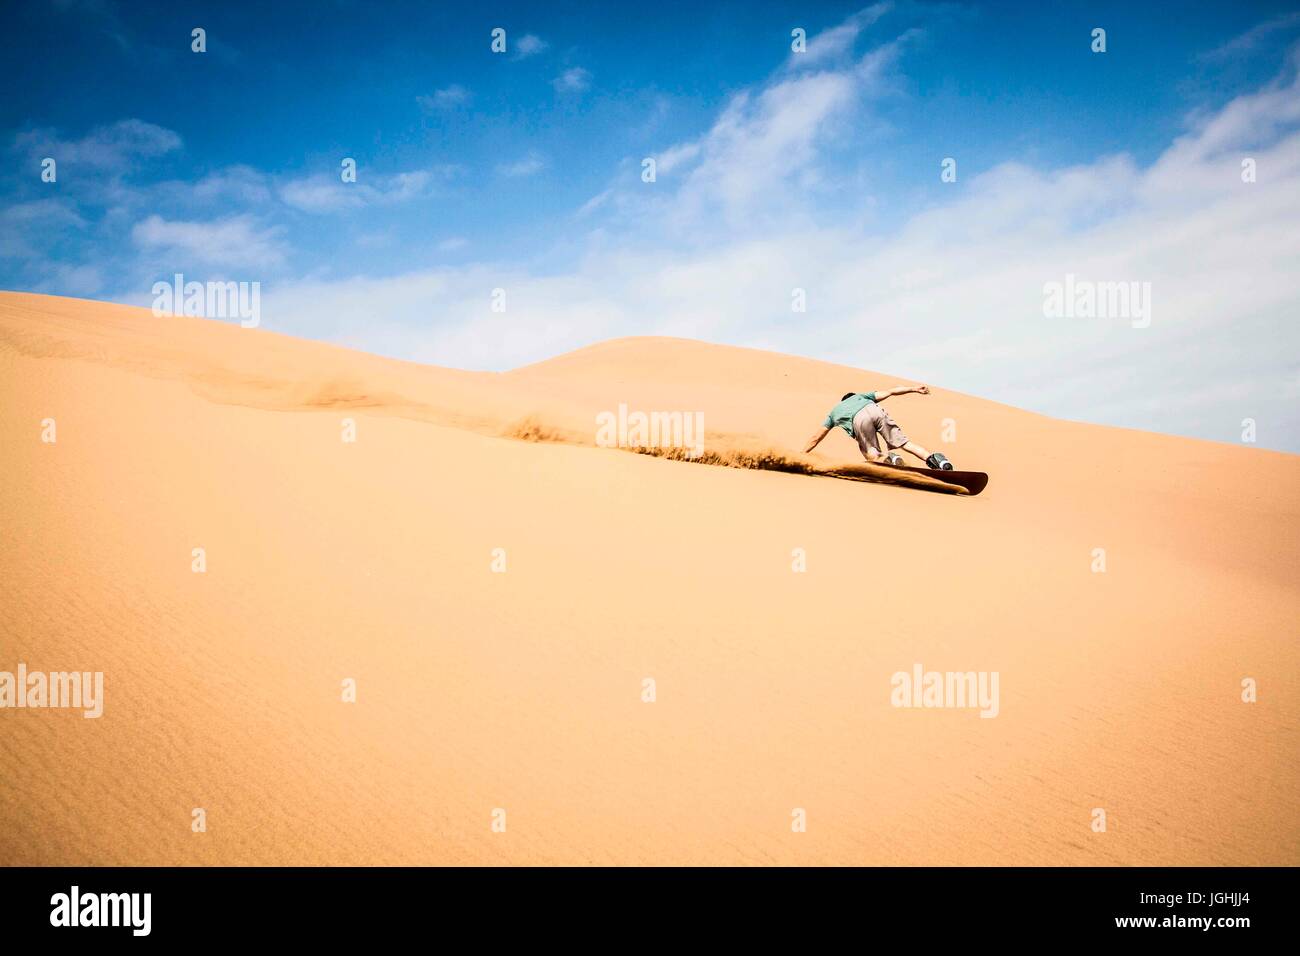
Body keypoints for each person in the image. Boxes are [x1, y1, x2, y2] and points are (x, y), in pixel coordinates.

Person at [803, 386, 954, 470]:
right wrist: (914, 389)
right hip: (875, 409)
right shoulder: (862, 396)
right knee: (905, 443)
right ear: (852, 396)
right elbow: (891, 392)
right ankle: (937, 462)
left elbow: (816, 437)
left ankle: (888, 458)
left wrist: (802, 454)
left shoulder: (834, 412)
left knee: (868, 450)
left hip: (859, 420)